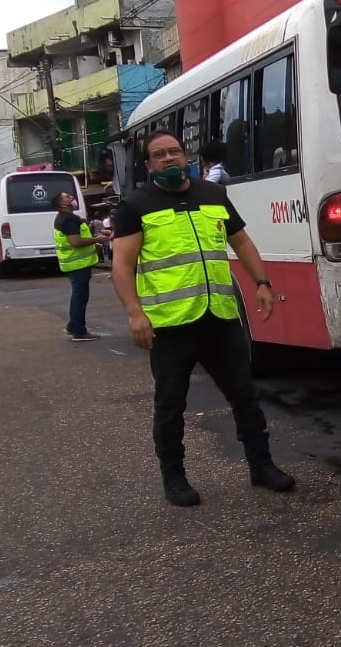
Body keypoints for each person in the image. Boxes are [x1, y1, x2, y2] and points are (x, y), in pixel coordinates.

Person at [110, 130, 294, 506]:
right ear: (148, 165)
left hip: (219, 317)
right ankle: (175, 479)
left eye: (174, 151)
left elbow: (240, 240)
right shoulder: (135, 205)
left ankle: (262, 466)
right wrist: (135, 313)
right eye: (158, 155)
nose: (168, 159)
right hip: (170, 324)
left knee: (245, 396)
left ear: (185, 156)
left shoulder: (213, 194)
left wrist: (261, 281)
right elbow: (122, 264)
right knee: (170, 404)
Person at [52, 191, 110, 341]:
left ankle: (72, 326)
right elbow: (75, 242)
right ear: (62, 204)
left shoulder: (63, 218)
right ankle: (79, 331)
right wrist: (97, 239)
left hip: (74, 264)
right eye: (67, 197)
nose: (72, 198)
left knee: (78, 296)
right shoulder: (68, 220)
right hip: (78, 264)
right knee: (80, 297)